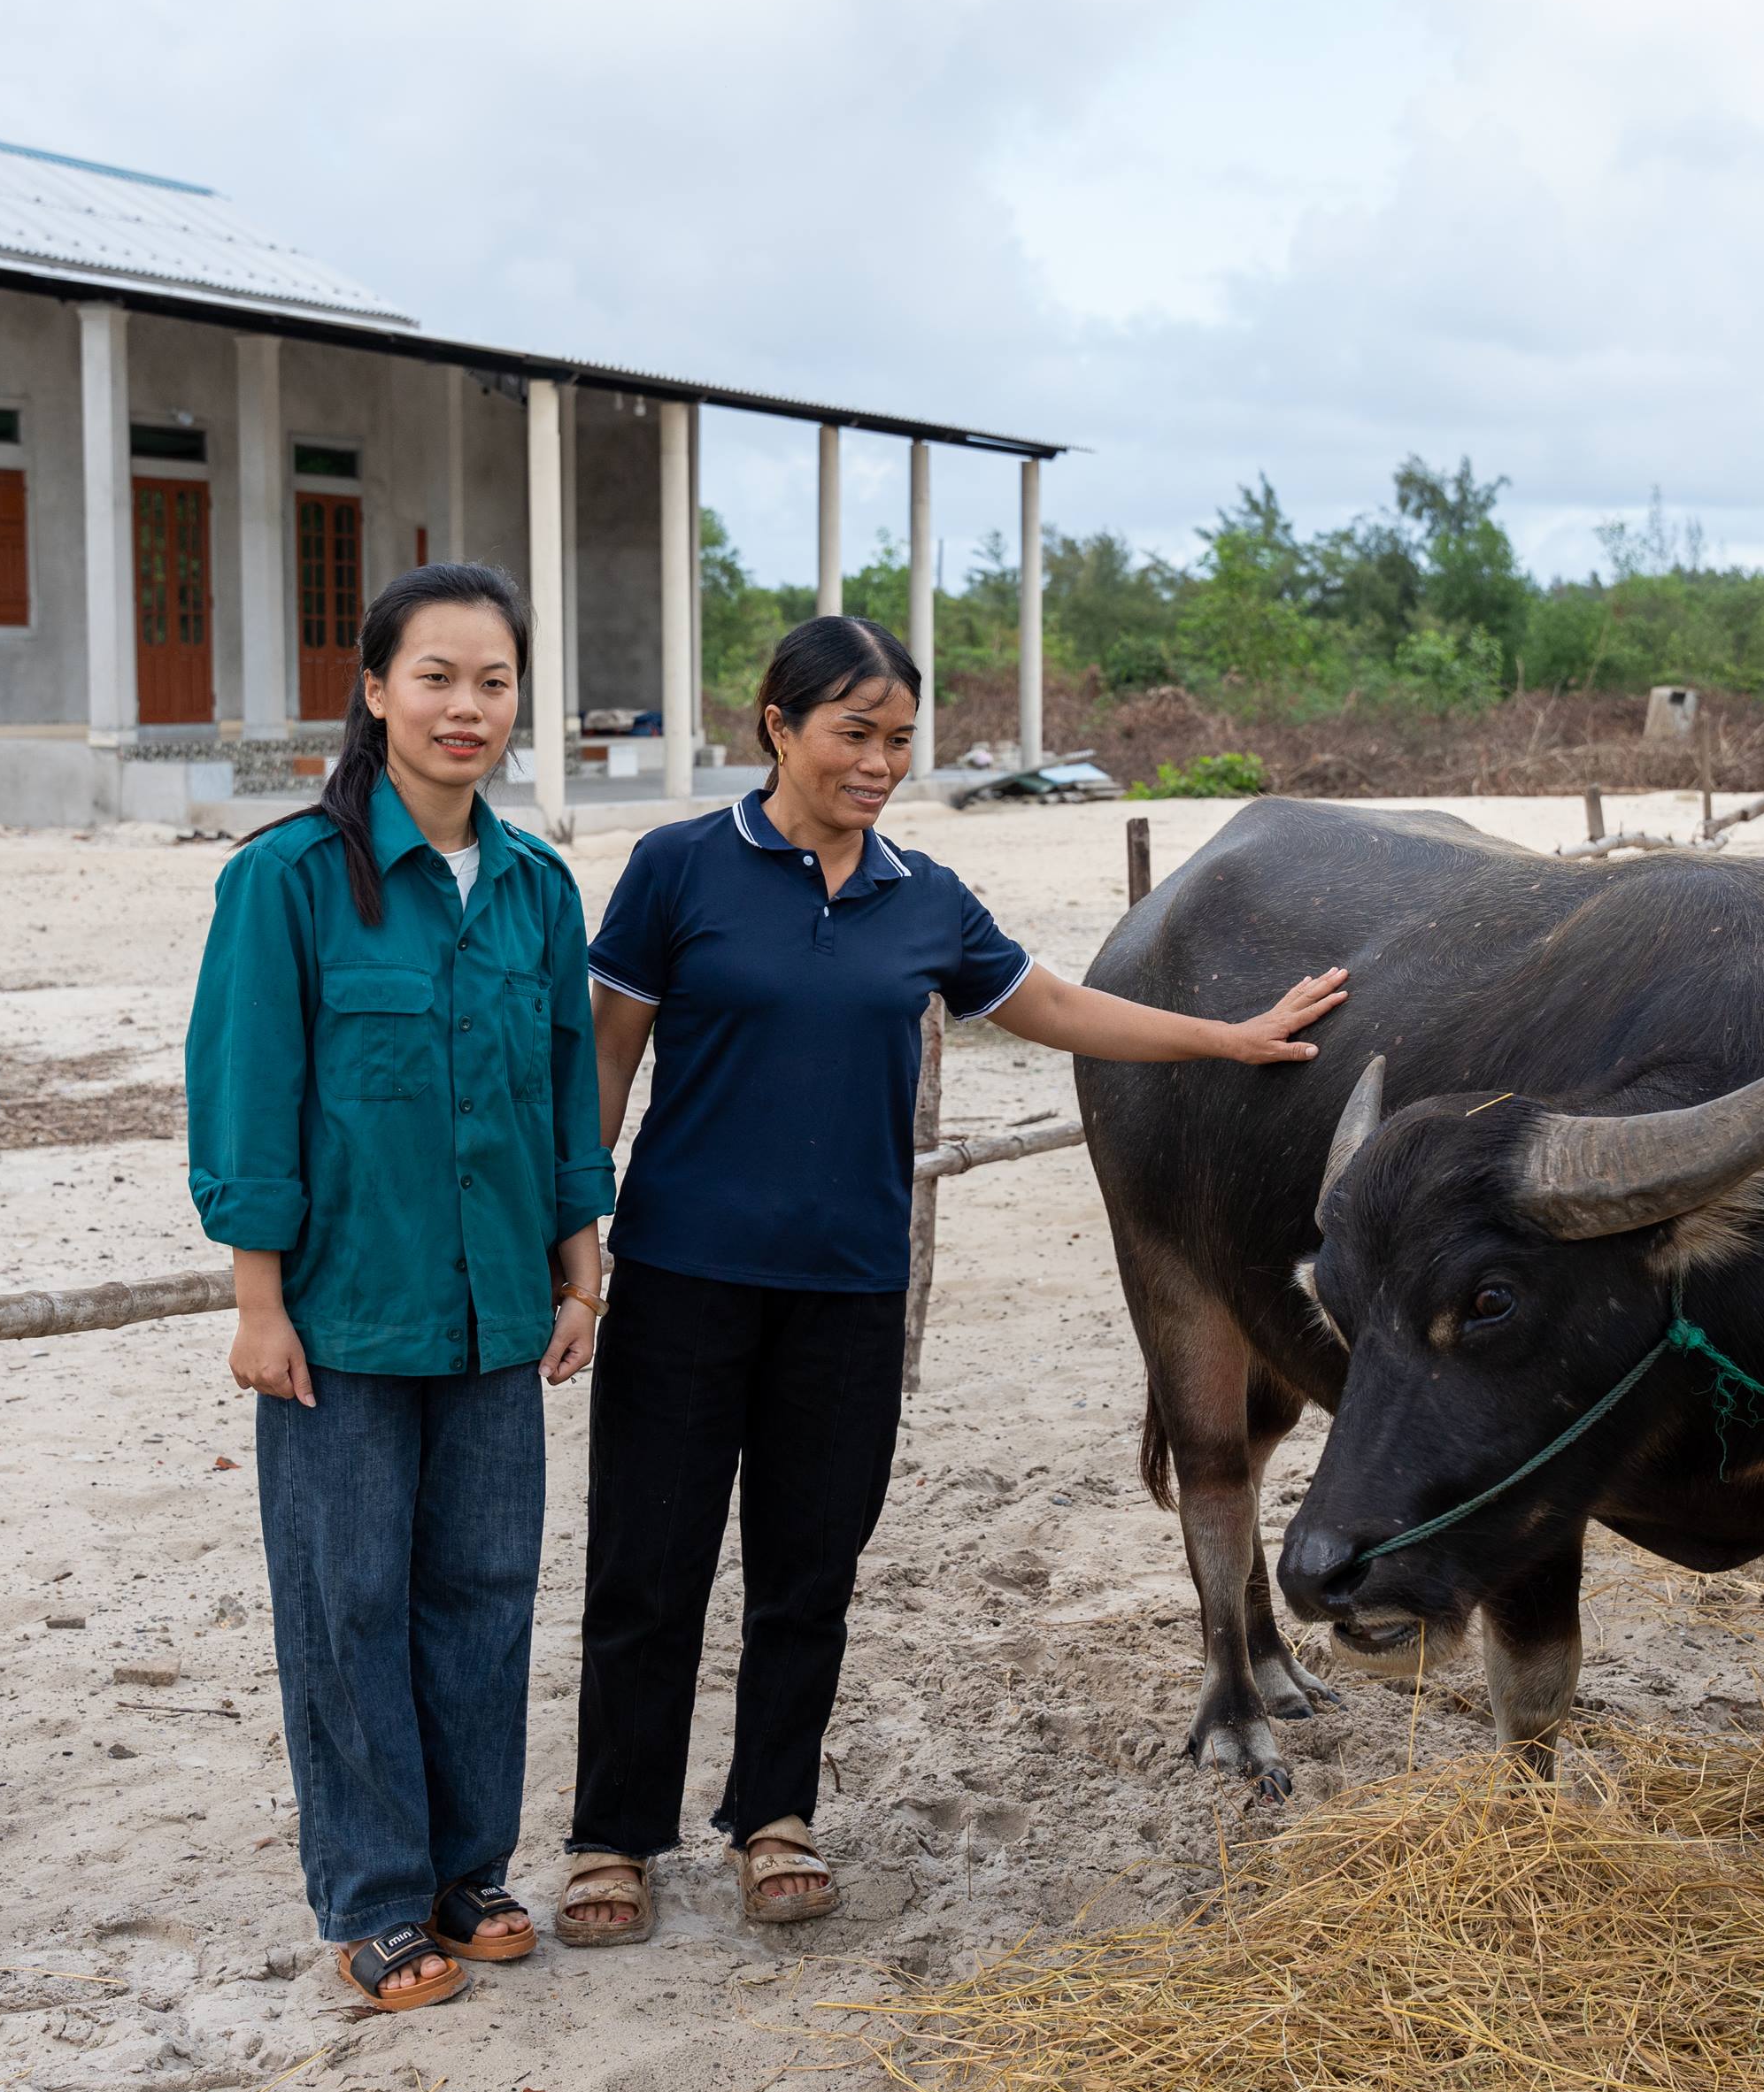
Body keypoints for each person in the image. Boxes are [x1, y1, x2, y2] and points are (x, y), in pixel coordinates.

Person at [557, 614, 1344, 1942]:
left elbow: (1052, 1005)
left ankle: (773, 1814)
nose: (880, 763)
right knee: (650, 1561)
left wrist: (1227, 1034)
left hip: (852, 1288)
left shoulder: (924, 894)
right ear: (778, 726)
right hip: (685, 1275)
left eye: (901, 740)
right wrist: (577, 1237)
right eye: (853, 734)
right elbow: (606, 1061)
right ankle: (611, 1835)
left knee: (810, 1565)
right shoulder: (678, 867)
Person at [184, 562, 610, 2013]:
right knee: (347, 1595)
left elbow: (566, 1092)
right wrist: (257, 1299)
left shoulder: (540, 888)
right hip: (341, 1316)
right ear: (373, 690)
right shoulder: (288, 879)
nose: (465, 707)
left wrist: (579, 1262)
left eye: (493, 681)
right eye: (435, 676)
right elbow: (246, 1095)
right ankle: (372, 1895)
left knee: (483, 1593)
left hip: (499, 1309)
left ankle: (464, 1868)